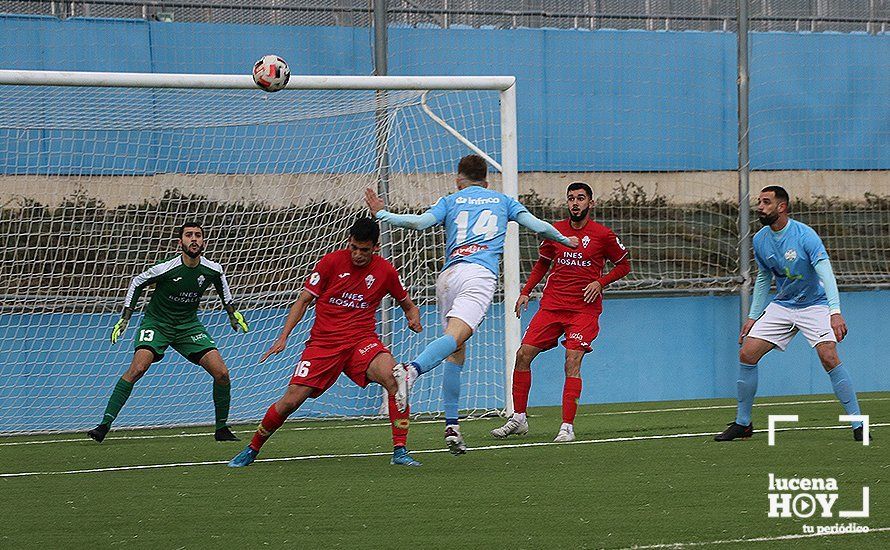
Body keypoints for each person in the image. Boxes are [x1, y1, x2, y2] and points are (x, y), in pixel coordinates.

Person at [364, 154, 578, 454]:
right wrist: (566, 240)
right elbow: (538, 226)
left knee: (455, 352)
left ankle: (452, 426)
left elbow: (420, 223)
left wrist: (384, 214)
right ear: (486, 181)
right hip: (478, 276)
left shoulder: (451, 200)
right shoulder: (503, 200)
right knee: (455, 338)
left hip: (448, 277)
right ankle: (410, 371)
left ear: (458, 179)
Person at [228, 218, 424, 468]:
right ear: (349, 243)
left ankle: (400, 450)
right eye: (354, 247)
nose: (358, 254)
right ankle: (252, 448)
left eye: (364, 250)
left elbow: (408, 304)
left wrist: (413, 318)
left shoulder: (385, 271)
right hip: (324, 344)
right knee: (290, 401)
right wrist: (283, 337)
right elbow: (303, 301)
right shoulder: (331, 262)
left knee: (397, 378)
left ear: (375, 247)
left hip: (361, 343)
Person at [715, 186, 866, 442]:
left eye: (766, 202)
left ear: (781, 207)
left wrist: (835, 312)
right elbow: (763, 278)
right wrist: (753, 317)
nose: (760, 207)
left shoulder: (805, 236)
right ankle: (744, 423)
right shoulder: (761, 239)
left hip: (815, 305)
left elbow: (826, 274)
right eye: (759, 202)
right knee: (747, 353)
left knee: (828, 355)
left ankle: (858, 425)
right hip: (783, 305)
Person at [491, 182, 631, 442]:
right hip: (552, 306)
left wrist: (600, 282)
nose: (575, 203)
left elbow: (624, 266)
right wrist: (526, 291)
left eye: (580, 198)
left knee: (572, 360)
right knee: (523, 355)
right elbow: (543, 262)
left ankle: (567, 426)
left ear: (591, 203)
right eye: (570, 199)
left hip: (583, 310)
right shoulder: (555, 231)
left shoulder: (603, 235)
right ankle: (519, 418)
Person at [87, 222, 249, 443]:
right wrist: (125, 318)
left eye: (198, 236)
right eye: (189, 235)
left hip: (188, 326)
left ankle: (221, 429)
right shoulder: (165, 268)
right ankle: (104, 425)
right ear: (179, 243)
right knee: (137, 368)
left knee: (222, 373)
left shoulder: (212, 269)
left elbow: (223, 286)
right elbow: (136, 283)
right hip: (157, 324)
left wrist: (232, 313)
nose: (194, 239)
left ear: (204, 242)